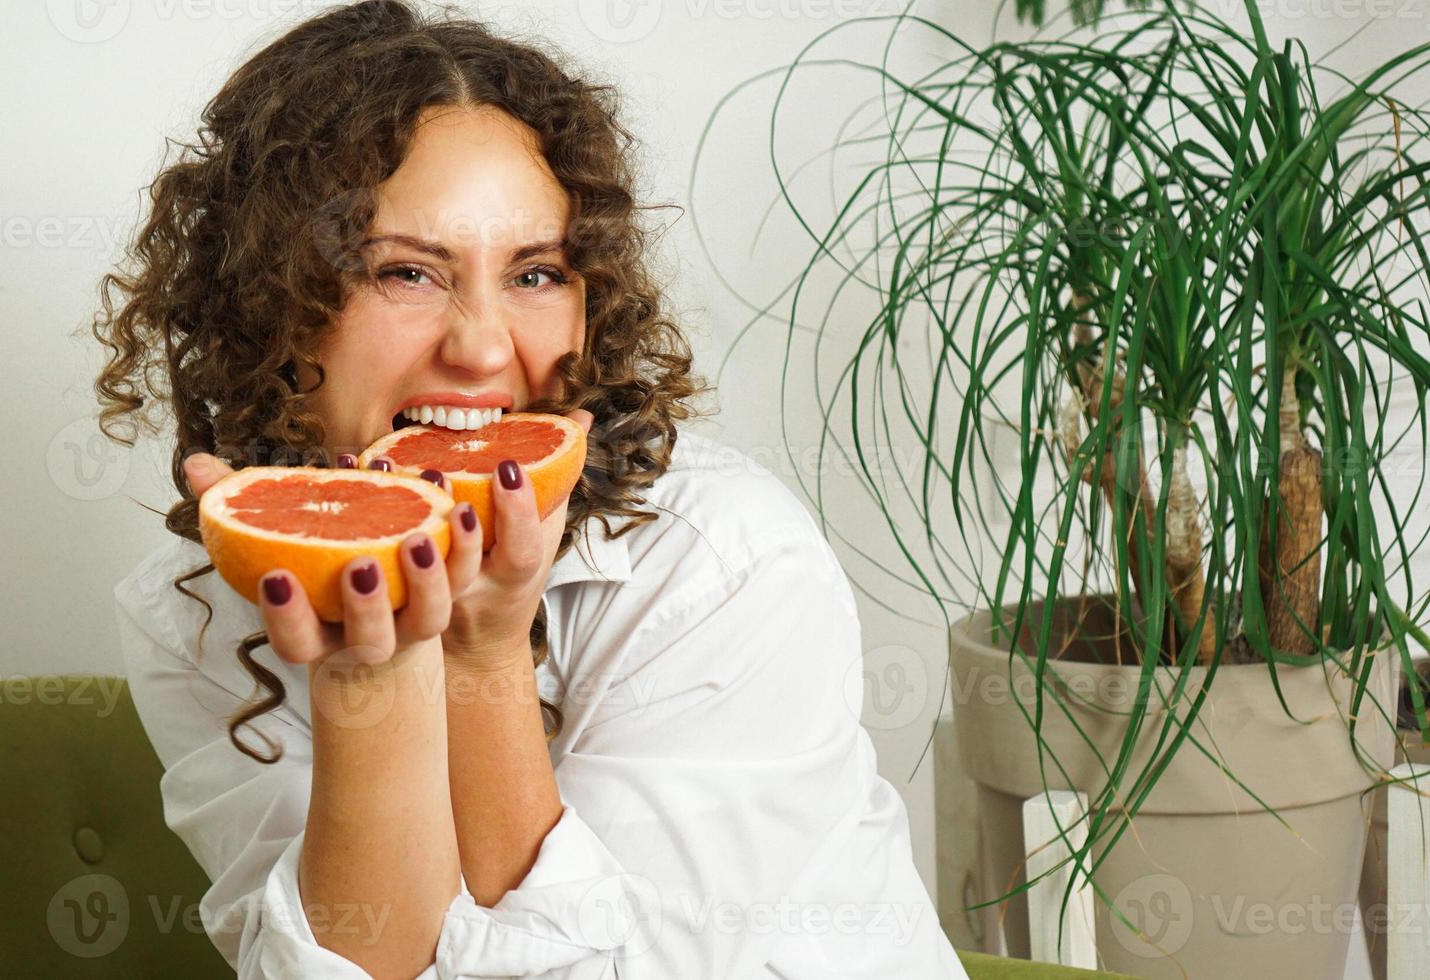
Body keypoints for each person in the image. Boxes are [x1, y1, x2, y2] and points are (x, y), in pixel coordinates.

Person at [92, 1, 966, 976]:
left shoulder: (723, 563)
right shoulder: (198, 614)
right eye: (406, 272)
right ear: (267, 306)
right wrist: (374, 684)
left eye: (536, 273)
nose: (481, 346)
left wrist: (481, 653)